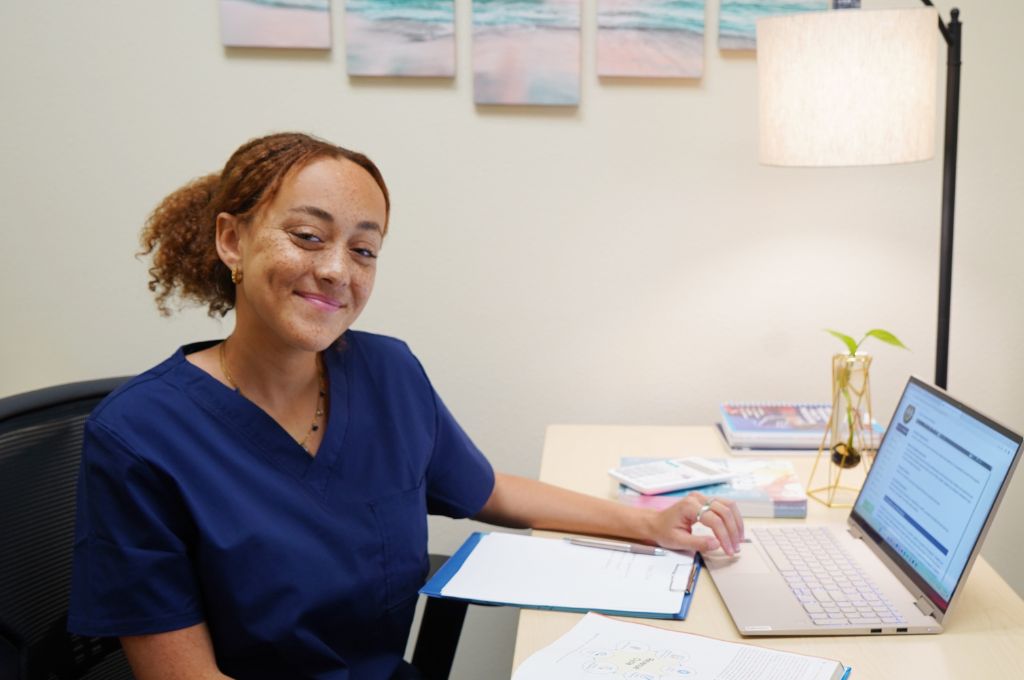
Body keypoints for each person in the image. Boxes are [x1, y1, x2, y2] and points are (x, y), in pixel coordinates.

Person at [68, 132, 744, 680]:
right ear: (231, 240)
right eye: (308, 236)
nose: (337, 270)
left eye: (364, 249)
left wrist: (647, 525)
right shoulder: (139, 436)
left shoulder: (385, 371)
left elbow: (487, 490)